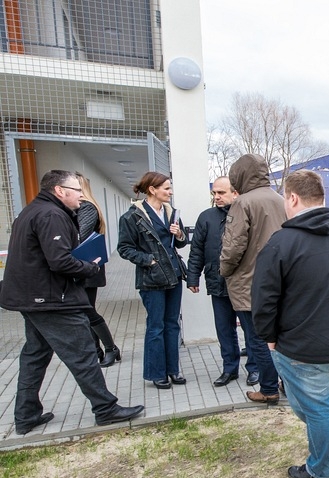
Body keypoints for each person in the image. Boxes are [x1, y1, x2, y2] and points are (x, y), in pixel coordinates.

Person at [0, 170, 144, 433]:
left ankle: (26, 415)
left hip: (32, 298)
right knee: (83, 354)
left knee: (35, 355)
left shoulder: (31, 211)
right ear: (60, 190)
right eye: (77, 190)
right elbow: (60, 261)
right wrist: (91, 267)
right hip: (53, 299)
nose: (81, 195)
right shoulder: (51, 215)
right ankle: (105, 409)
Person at [252, 170, 329, 478]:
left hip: (303, 346)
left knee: (318, 409)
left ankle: (323, 467)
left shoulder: (281, 243)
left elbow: (263, 299)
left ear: (292, 198)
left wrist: (268, 337)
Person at [220, 154, 285, 404]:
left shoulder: (242, 203)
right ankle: (285, 382)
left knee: (257, 339)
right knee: (279, 338)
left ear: (240, 174)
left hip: (249, 282)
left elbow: (233, 246)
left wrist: (224, 270)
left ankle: (268, 389)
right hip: (280, 280)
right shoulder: (280, 199)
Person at [118, 171, 188, 390]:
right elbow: (124, 248)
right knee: (156, 326)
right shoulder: (132, 217)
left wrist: (179, 235)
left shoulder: (172, 213)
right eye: (166, 188)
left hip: (174, 275)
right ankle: (157, 373)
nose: (170, 192)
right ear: (152, 190)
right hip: (152, 279)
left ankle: (173, 370)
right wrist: (149, 260)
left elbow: (180, 243)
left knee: (172, 324)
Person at [186, 176, 259, 387]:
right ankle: (230, 369)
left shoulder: (246, 215)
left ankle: (254, 369)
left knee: (251, 330)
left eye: (221, 193)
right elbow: (197, 249)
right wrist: (193, 276)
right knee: (224, 330)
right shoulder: (206, 217)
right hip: (217, 283)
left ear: (235, 193)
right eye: (214, 193)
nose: (216, 197)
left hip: (243, 285)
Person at [75, 172, 121, 368]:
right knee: (85, 310)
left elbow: (80, 235)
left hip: (86, 265)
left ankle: (110, 348)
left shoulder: (86, 207)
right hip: (82, 266)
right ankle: (97, 350)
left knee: (87, 310)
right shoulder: (81, 208)